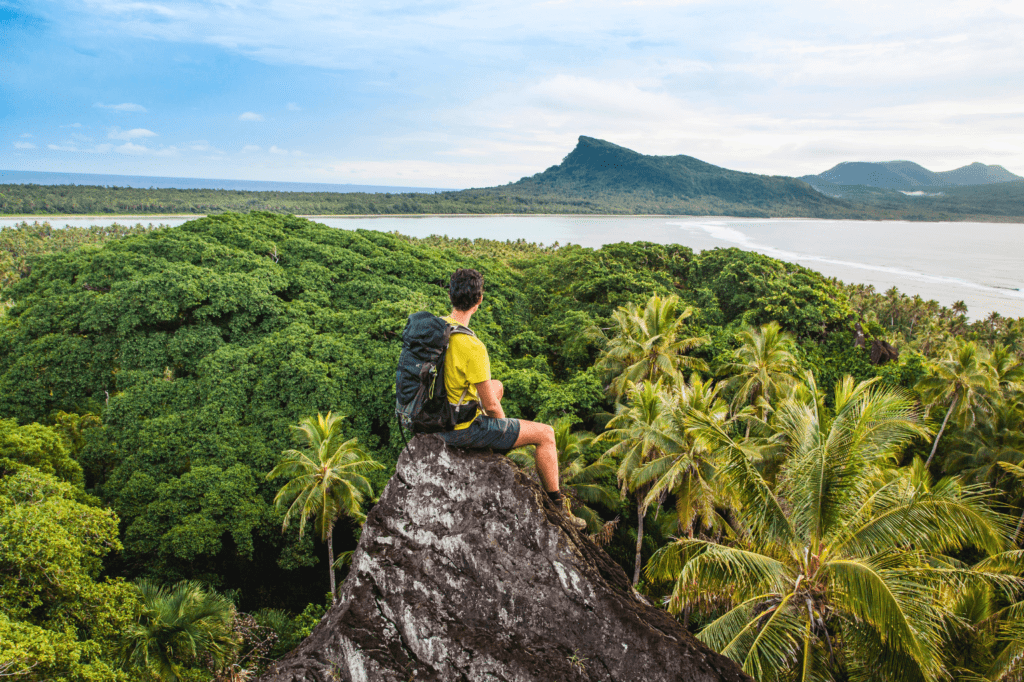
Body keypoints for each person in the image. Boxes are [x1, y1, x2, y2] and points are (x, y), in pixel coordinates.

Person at [438, 268, 586, 530]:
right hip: (458, 430)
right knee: (546, 434)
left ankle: (491, 436)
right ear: (479, 300)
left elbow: (488, 393)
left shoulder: (436, 329)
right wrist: (502, 430)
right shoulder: (472, 347)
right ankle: (558, 506)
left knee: (497, 385)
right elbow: (491, 406)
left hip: (436, 415)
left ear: (450, 295)